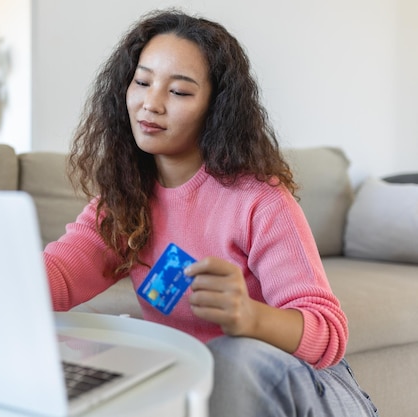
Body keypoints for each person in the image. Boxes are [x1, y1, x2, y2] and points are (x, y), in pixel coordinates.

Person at [43, 8, 378, 417]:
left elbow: (328, 334)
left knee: (230, 357)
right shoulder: (124, 201)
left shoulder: (259, 201)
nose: (151, 103)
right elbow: (57, 277)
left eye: (179, 92)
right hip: (204, 393)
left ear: (215, 108)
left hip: (310, 390)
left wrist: (248, 315)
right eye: (142, 82)